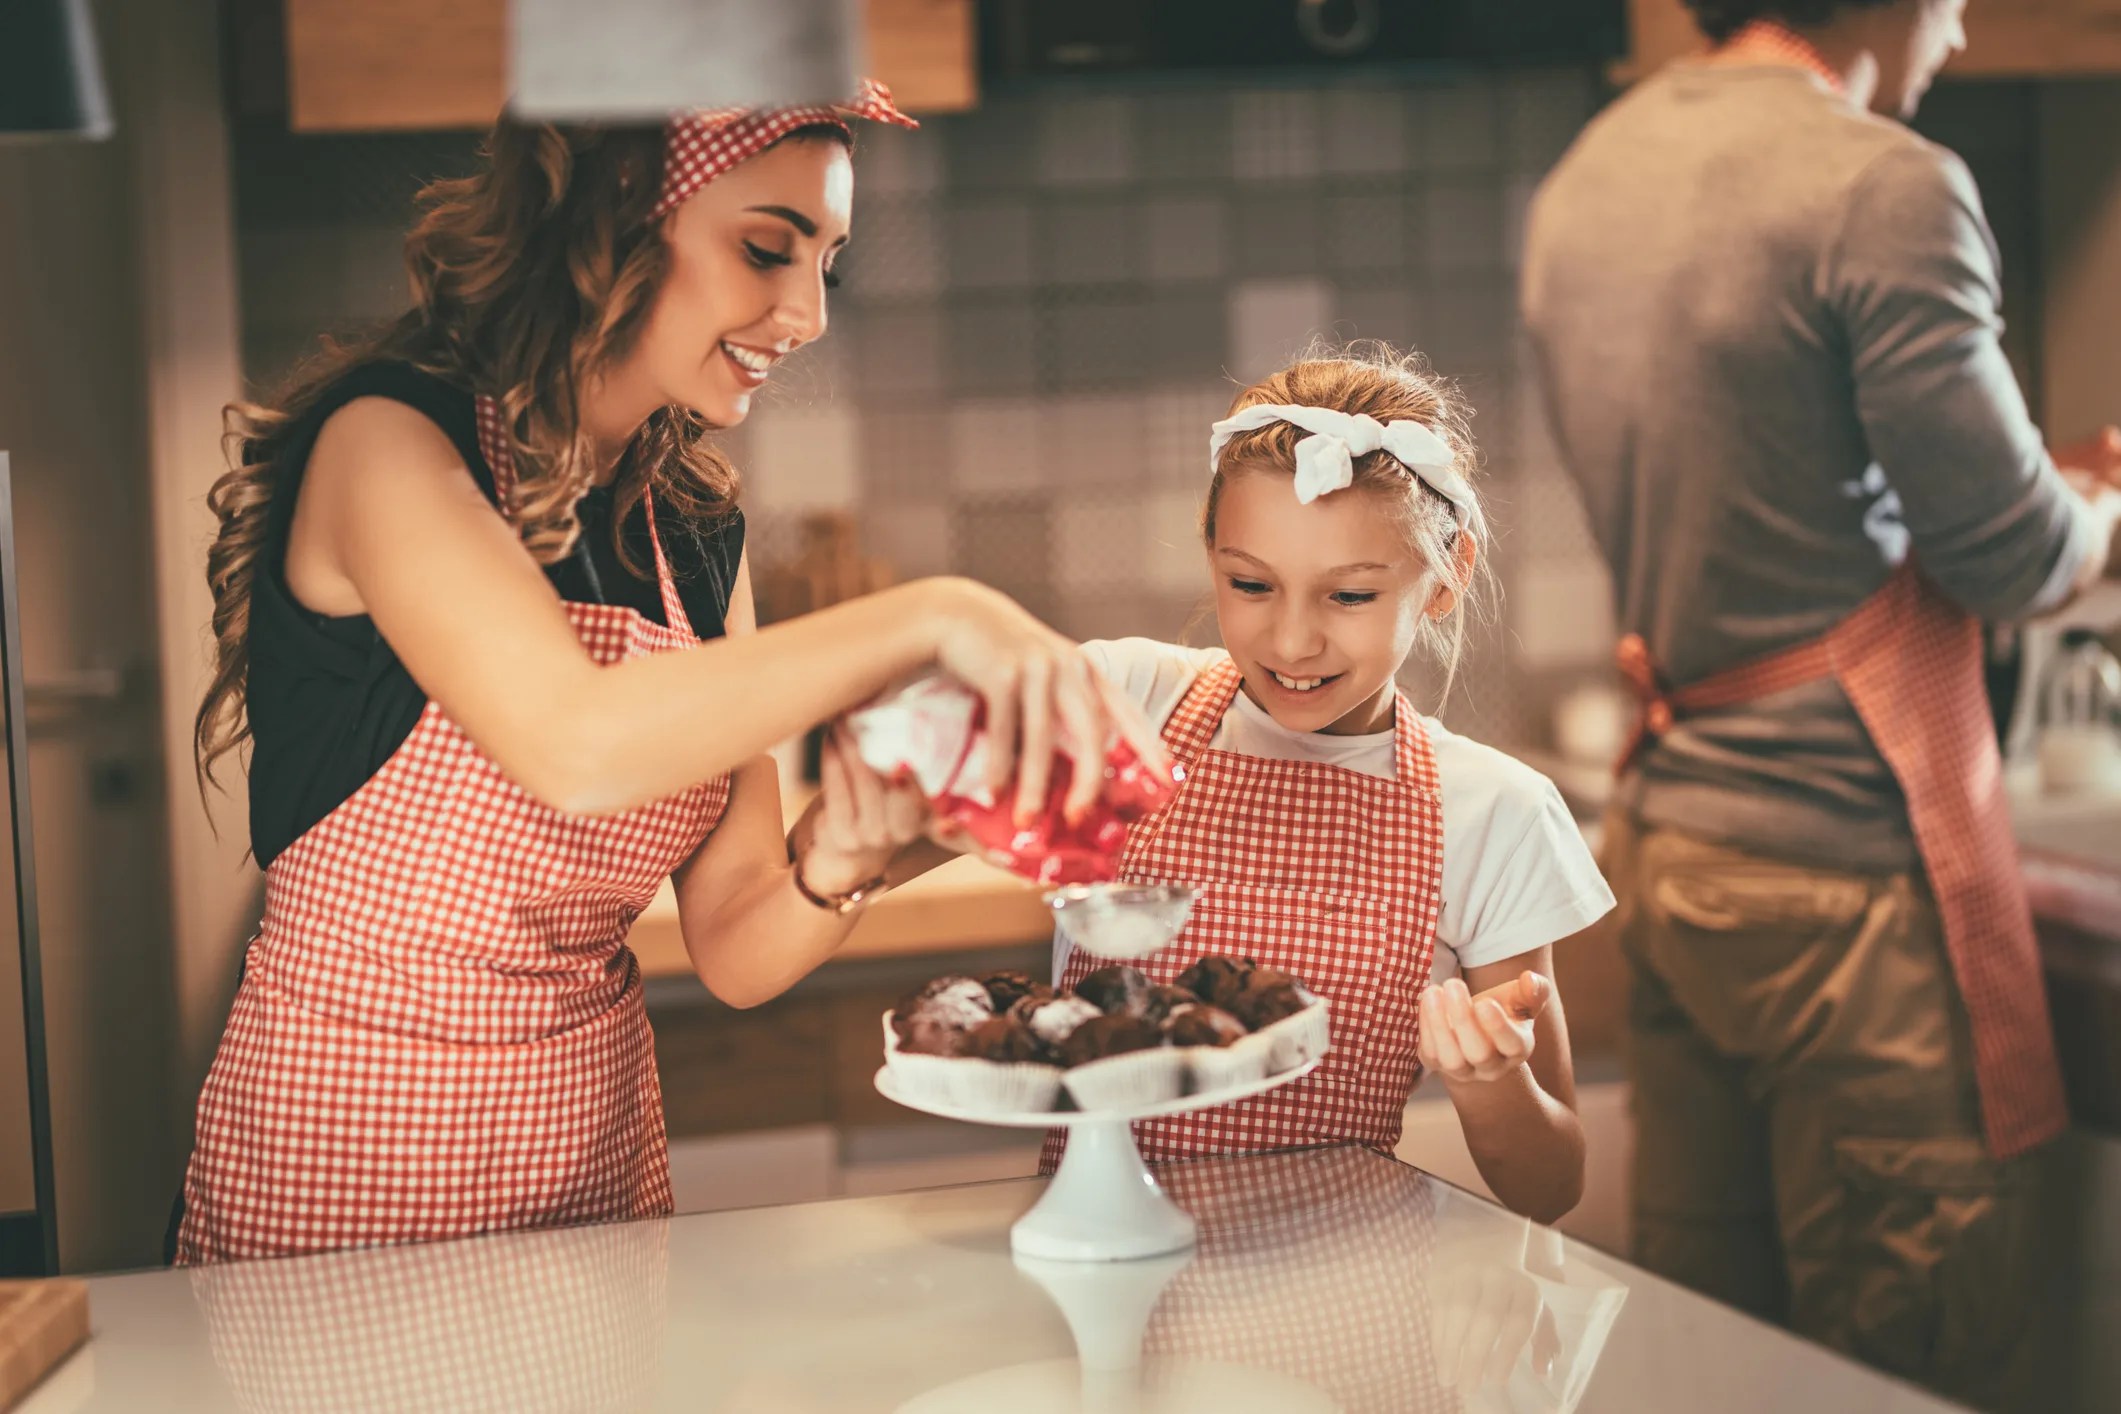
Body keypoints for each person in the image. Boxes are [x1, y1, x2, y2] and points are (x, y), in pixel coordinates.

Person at [174, 83, 1164, 1265]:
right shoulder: (391, 444)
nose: (805, 315)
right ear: (616, 217)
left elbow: (739, 946)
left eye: (828, 267)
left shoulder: (689, 529)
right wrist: (940, 613)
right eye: (765, 250)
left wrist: (843, 858)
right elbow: (577, 741)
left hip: (597, 1178)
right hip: (345, 1191)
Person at [1521, 0, 2121, 1399]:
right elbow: (2012, 551)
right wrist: (2103, 509)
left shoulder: (1596, 167)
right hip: (1843, 882)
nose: (1962, 29)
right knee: (1915, 1356)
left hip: (1671, 852)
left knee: (1710, 1356)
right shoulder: (1884, 185)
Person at [1037, 343, 1611, 1225]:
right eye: (1250, 584)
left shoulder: (1492, 811)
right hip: (1099, 1271)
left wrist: (1487, 1080)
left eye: (1348, 597)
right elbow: (880, 840)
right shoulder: (1123, 705)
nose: (1292, 641)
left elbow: (1549, 1184)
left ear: (1445, 576)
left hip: (1334, 1303)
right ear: (1211, 556)